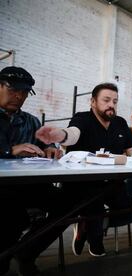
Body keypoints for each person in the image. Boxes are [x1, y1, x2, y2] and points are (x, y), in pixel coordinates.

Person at [36, 82, 132, 257]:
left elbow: (131, 150)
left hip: (113, 182)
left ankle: (88, 225)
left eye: (115, 101)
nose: (111, 105)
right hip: (83, 184)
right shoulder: (82, 118)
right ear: (93, 101)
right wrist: (59, 135)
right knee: (94, 204)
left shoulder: (120, 122)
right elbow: (72, 133)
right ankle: (95, 237)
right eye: (106, 100)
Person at [0, 66, 68, 275]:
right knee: (13, 215)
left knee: (68, 204)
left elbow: (48, 146)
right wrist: (9, 150)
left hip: (27, 187)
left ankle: (27, 252)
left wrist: (51, 149)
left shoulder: (31, 121)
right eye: (13, 90)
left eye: (24, 92)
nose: (19, 96)